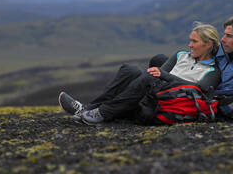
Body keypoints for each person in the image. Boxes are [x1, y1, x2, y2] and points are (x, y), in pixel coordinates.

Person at [59, 22, 221, 125]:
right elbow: (160, 71)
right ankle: (88, 109)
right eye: (190, 40)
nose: (189, 45)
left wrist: (164, 76)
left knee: (150, 75)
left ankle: (101, 112)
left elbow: (198, 90)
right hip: (155, 92)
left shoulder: (212, 71)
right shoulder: (180, 55)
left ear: (208, 45)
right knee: (131, 70)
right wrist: (161, 75)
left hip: (168, 102)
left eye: (194, 41)